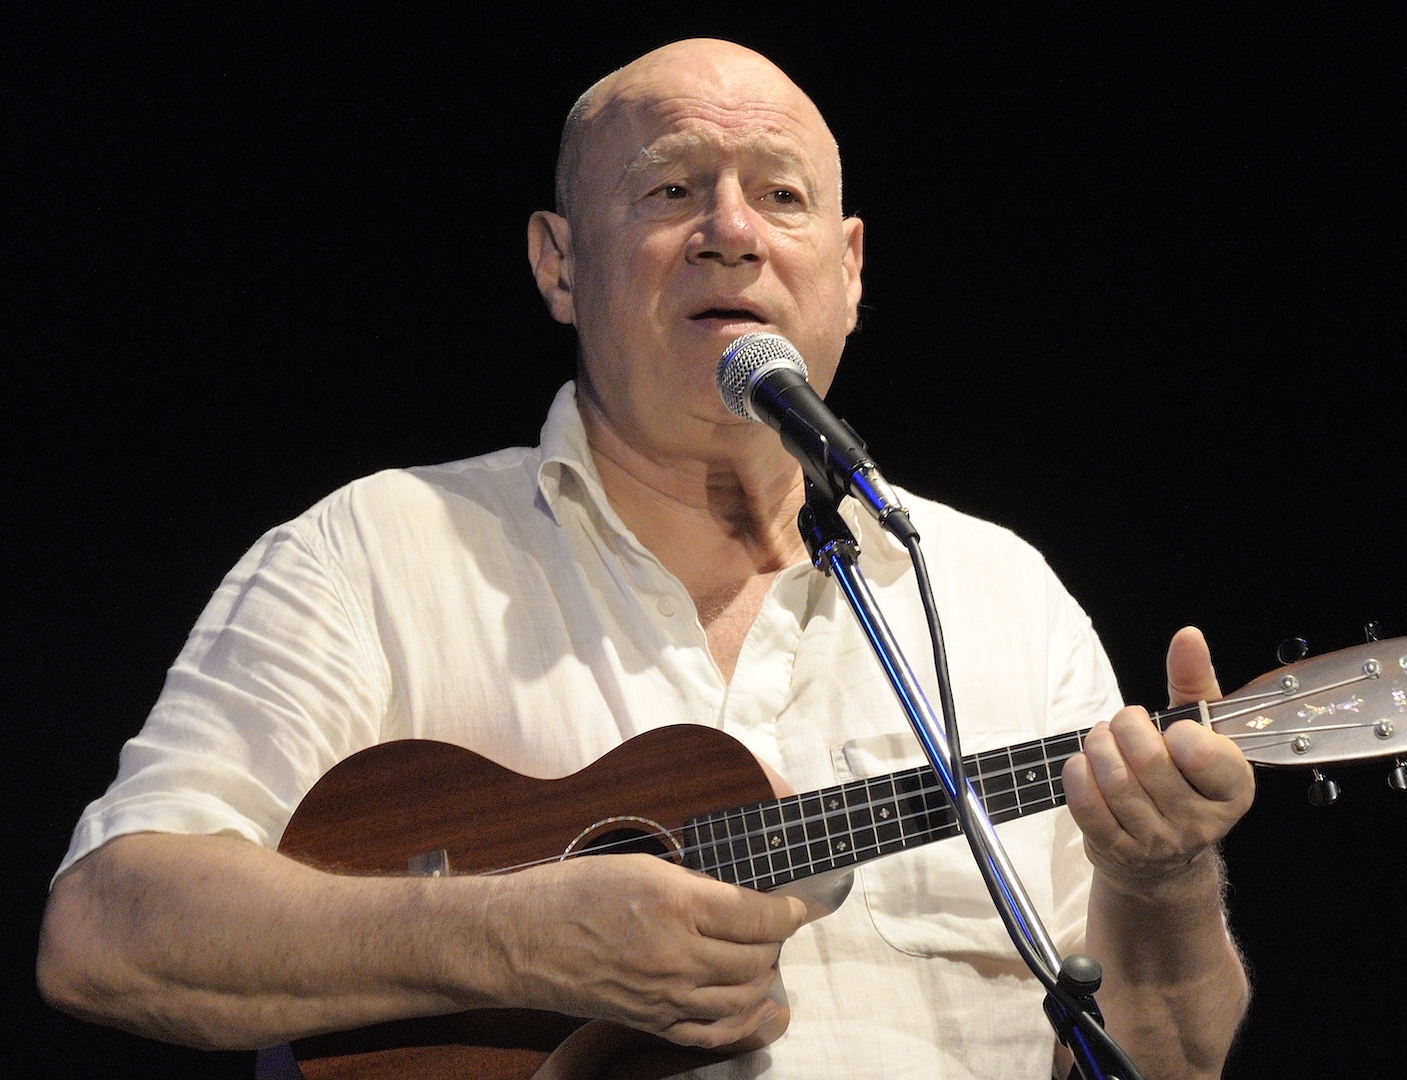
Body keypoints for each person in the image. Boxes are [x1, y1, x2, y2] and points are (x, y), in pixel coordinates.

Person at [37, 39, 1253, 1080]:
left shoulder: (997, 597)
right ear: (558, 264)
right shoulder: (373, 555)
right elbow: (107, 932)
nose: (731, 233)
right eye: (672, 188)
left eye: (781, 198)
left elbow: (1174, 1058)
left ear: (850, 268)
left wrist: (1159, 883)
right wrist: (514, 937)